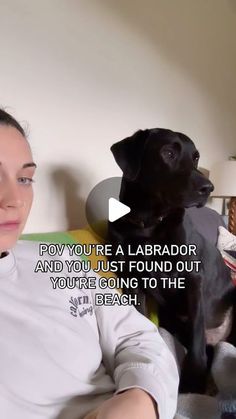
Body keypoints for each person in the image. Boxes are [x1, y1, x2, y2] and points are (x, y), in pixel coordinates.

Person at [0, 109, 179, 419]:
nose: (14, 198)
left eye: (25, 178)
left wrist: (142, 398)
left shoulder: (58, 257)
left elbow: (136, 336)